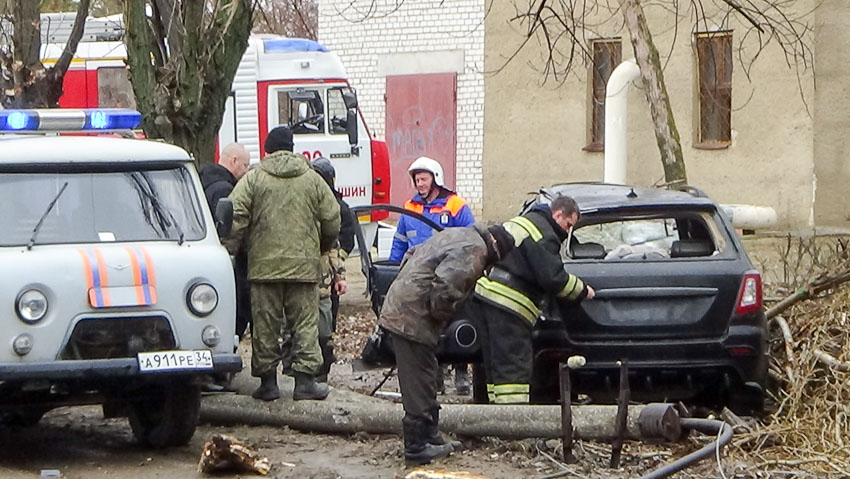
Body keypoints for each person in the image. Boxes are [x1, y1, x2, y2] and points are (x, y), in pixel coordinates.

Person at [379, 223, 516, 465]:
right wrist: (443, 317)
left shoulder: (459, 234)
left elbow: (412, 255)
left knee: (428, 372)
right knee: (418, 380)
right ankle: (416, 446)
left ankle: (431, 436)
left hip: (406, 307)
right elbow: (445, 288)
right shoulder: (476, 250)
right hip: (412, 318)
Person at [224, 126, 340, 402]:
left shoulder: (253, 180)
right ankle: (305, 383)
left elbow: (234, 216)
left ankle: (268, 384)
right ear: (292, 148)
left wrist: (231, 250)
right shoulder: (312, 179)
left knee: (265, 325)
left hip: (264, 267)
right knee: (305, 324)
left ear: (266, 149)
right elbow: (333, 217)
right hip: (303, 266)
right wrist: (321, 246)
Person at [471, 195, 595, 405]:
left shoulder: (524, 221)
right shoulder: (544, 234)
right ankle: (515, 423)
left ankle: (494, 417)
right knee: (513, 366)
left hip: (486, 295)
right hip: (510, 304)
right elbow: (554, 279)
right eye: (568, 225)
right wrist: (583, 291)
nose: (567, 232)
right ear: (558, 215)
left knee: (495, 363)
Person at [388, 156, 476, 395]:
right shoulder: (410, 207)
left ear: (435, 179)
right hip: (420, 278)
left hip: (451, 277)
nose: (420, 184)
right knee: (427, 325)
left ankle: (460, 373)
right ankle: (436, 375)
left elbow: (471, 238)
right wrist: (392, 268)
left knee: (457, 323)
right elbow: (400, 241)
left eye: (424, 179)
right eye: (417, 180)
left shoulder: (455, 205)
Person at [199, 143, 252, 340]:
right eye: (245, 165)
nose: (246, 171)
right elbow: (230, 227)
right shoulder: (227, 190)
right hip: (225, 258)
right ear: (233, 161)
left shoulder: (201, 180)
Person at [310, 157, 356, 382]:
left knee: (327, 325)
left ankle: (323, 370)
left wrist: (337, 267)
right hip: (313, 277)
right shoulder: (310, 202)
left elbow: (346, 241)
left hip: (328, 279)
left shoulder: (339, 207)